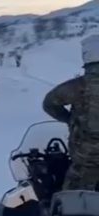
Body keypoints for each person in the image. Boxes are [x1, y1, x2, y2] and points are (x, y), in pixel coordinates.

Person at [42, 34, 99, 191]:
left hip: (84, 163)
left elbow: (49, 104)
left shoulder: (77, 86)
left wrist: (69, 119)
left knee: (69, 200)